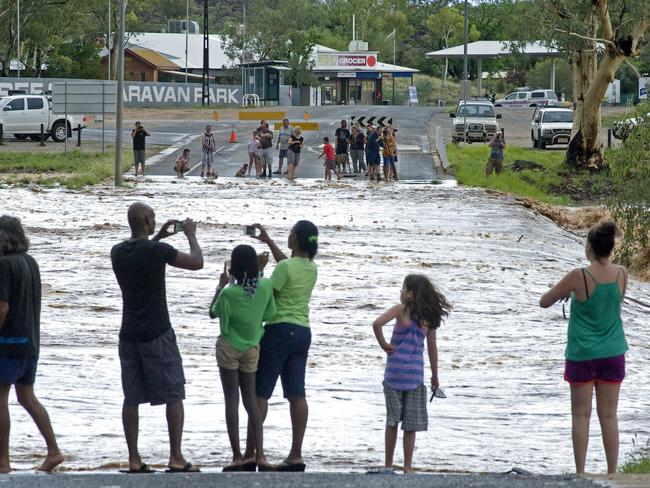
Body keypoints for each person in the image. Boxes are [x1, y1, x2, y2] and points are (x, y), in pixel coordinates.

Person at [111, 203, 203, 474]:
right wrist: (190, 234)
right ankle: (175, 457)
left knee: (131, 397)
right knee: (173, 393)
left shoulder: (117, 252)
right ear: (148, 221)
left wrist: (159, 236)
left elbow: (140, 251)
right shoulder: (158, 251)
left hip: (128, 334)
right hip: (158, 332)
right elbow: (197, 263)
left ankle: (134, 459)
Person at [540, 222, 628, 475]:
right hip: (613, 352)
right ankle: (612, 472)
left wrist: (567, 292)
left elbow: (544, 302)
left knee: (581, 416)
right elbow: (612, 301)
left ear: (589, 247)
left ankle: (581, 472)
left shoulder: (578, 276)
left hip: (582, 354)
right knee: (609, 415)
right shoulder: (622, 273)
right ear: (610, 248)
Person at [243, 221, 319, 472]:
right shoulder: (311, 267)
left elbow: (267, 292)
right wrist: (268, 241)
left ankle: (251, 454)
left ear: (295, 239)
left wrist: (259, 271)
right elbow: (287, 265)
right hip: (302, 333)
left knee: (261, 394)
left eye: (289, 235)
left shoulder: (285, 268)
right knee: (297, 394)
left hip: (278, 331)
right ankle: (296, 454)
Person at [0, 216, 64, 474]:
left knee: (0, 399)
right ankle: (53, 451)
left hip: (8, 343)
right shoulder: (30, 262)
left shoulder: (4, 265)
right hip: (30, 344)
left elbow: (2, 307)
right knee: (27, 396)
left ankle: (2, 461)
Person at [372, 274, 451, 474]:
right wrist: (435, 377)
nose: (400, 292)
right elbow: (432, 349)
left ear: (410, 293)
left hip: (394, 374)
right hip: (415, 376)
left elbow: (377, 324)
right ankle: (408, 467)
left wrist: (384, 345)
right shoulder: (429, 318)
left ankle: (388, 465)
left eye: (402, 288)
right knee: (411, 425)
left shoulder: (400, 310)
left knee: (392, 421)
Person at [209, 245, 276, 472]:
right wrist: (260, 273)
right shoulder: (265, 286)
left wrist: (221, 284)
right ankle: (261, 455)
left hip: (229, 346)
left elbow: (213, 312)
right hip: (252, 348)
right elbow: (269, 314)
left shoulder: (229, 292)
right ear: (256, 266)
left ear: (233, 268)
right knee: (251, 402)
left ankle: (237, 457)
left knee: (232, 401)